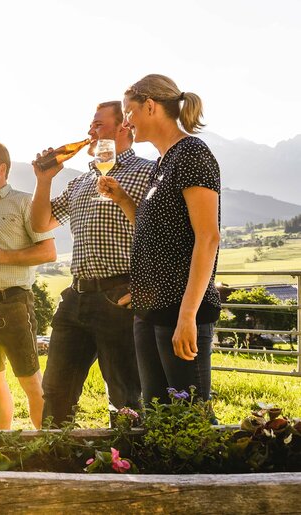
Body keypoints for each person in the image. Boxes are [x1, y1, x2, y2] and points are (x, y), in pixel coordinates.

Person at [99, 74, 221, 406]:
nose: (126, 122)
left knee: (190, 419)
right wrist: (124, 199)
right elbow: (153, 234)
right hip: (151, 311)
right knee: (158, 417)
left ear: (150, 107)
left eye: (129, 112)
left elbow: (208, 237)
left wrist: (188, 316)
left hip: (179, 312)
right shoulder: (162, 163)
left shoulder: (192, 154)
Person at [30, 101, 154, 427]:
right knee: (55, 392)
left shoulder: (147, 172)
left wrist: (146, 285)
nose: (90, 132)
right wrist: (44, 180)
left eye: (98, 125)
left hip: (120, 296)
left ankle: (130, 469)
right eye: (91, 125)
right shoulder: (81, 182)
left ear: (123, 127)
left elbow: (164, 232)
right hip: (75, 298)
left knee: (126, 398)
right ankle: (54, 470)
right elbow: (40, 222)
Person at [0, 141, 56, 430]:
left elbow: (48, 252)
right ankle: (1, 442)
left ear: (2, 168)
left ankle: (45, 445)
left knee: (29, 380)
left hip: (12, 302)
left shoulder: (25, 202)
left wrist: (2, 256)